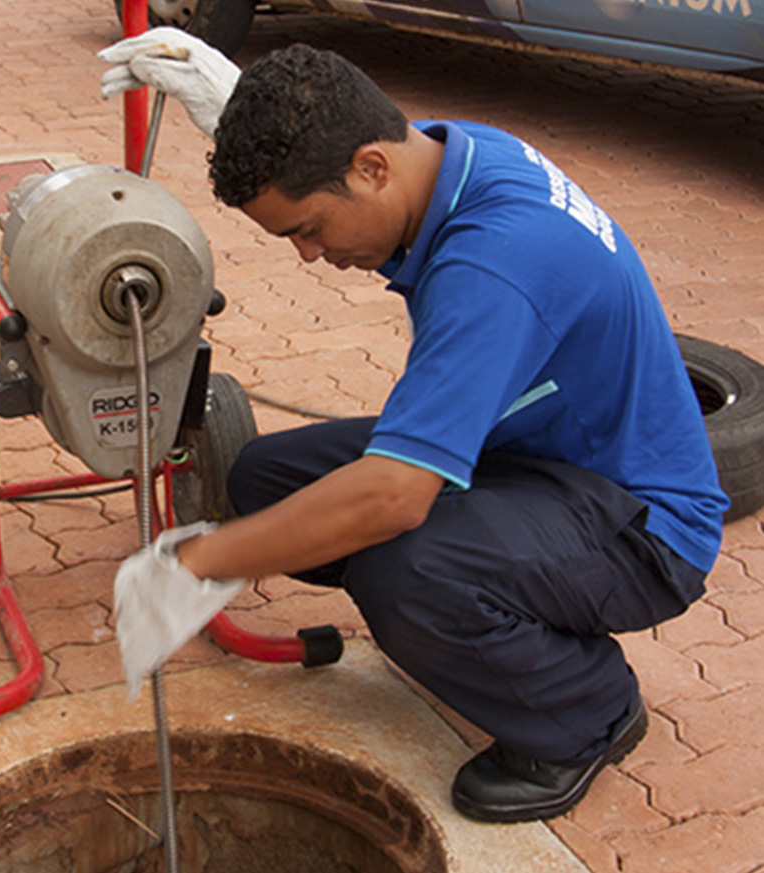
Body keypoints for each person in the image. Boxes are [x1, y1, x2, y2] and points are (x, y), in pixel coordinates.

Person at [99, 30, 729, 823]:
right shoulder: (448, 157)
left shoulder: (493, 265)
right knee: (264, 480)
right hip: (535, 452)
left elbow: (393, 496)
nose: (306, 254)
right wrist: (241, 107)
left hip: (641, 523)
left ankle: (584, 711)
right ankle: (477, 612)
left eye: (307, 228)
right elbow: (343, 126)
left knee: (402, 565)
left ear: (369, 170)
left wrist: (194, 563)